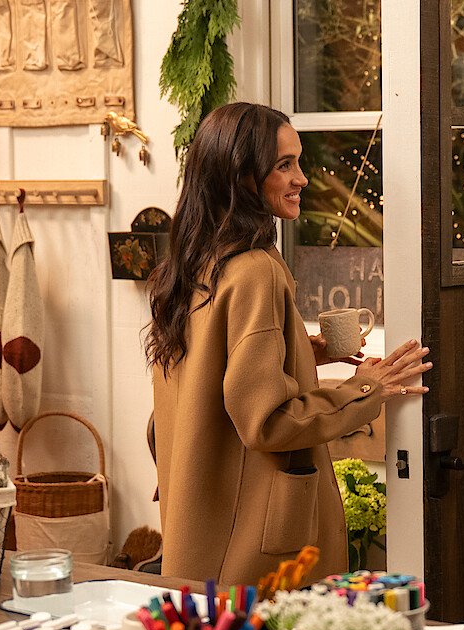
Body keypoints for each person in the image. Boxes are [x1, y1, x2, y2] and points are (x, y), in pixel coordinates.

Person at [144, 102, 430, 585]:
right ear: (240, 177)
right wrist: (366, 388)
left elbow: (196, 388)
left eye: (298, 161)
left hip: (197, 528)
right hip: (249, 544)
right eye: (284, 165)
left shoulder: (193, 262)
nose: (302, 178)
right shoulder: (255, 269)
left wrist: (301, 352)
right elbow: (268, 423)